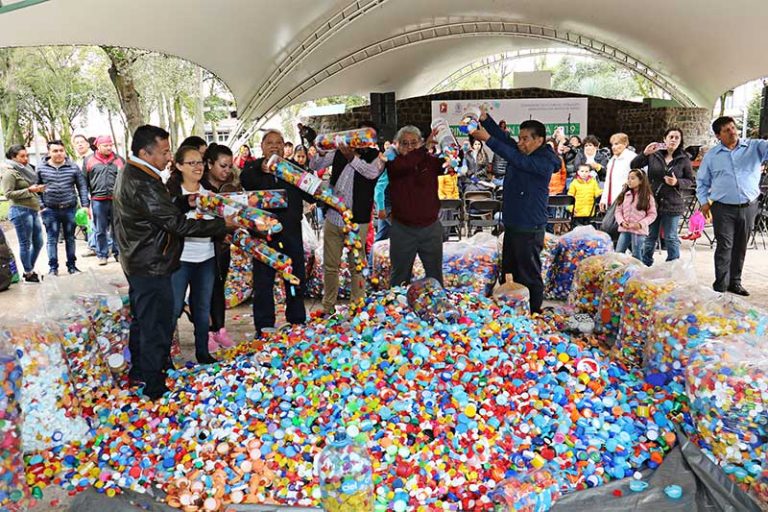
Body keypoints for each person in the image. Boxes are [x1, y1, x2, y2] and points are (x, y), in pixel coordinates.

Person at [113, 125, 231, 400]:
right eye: (165, 152)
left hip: (141, 259)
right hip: (150, 262)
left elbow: (159, 211)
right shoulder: (142, 181)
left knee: (144, 320)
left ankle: (140, 371)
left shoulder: (137, 173)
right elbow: (176, 225)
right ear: (145, 152)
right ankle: (155, 385)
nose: (168, 157)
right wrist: (222, 225)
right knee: (157, 324)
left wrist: (183, 201)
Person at [471, 113, 561, 314]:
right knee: (509, 272)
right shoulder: (523, 152)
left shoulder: (544, 161)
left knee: (529, 273)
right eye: (519, 138)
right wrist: (486, 119)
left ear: (539, 140)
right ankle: (511, 310)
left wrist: (487, 140)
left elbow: (512, 156)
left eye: (525, 139)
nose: (520, 143)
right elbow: (505, 140)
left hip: (529, 226)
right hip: (513, 224)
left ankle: (534, 312)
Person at [240, 129, 315, 335]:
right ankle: (264, 325)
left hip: (291, 232)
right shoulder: (252, 169)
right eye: (270, 143)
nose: (274, 146)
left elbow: (313, 195)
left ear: (284, 147)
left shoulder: (294, 169)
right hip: (263, 235)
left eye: (279, 143)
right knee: (263, 280)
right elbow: (244, 179)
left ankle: (297, 320)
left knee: (294, 276)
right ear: (262, 147)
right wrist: (259, 167)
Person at [309, 122, 385, 314]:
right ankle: (328, 307)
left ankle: (357, 306)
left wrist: (351, 156)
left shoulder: (375, 157)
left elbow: (371, 173)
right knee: (330, 266)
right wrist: (322, 150)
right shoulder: (339, 150)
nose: (360, 140)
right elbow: (314, 165)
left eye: (365, 137)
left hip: (358, 222)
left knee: (357, 266)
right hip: (334, 217)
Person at [696, 116, 768, 296]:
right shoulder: (712, 156)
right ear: (718, 135)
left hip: (749, 206)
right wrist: (704, 202)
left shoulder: (754, 147)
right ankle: (720, 284)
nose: (732, 132)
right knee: (724, 245)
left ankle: (735, 282)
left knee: (740, 245)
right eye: (726, 130)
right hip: (722, 208)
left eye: (733, 128)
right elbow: (702, 181)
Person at [166, 146, 222, 365]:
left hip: (206, 258)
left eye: (200, 162)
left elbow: (220, 224)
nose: (198, 167)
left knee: (202, 308)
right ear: (179, 166)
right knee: (173, 308)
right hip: (180, 260)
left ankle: (202, 352)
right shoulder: (171, 196)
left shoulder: (210, 195)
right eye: (192, 163)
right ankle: (165, 355)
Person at [387, 126, 444, 286]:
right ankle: (396, 310)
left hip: (430, 228)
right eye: (405, 143)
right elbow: (406, 164)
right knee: (399, 278)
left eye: (414, 143)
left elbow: (449, 163)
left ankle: (438, 309)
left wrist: (449, 145)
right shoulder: (394, 163)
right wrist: (423, 149)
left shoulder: (430, 162)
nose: (410, 147)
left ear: (420, 143)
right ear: (396, 145)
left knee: (435, 276)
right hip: (403, 229)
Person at [632, 127, 694, 266]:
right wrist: (645, 153)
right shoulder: (654, 155)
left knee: (671, 237)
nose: (673, 140)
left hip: (673, 203)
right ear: (664, 139)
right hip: (653, 202)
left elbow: (690, 180)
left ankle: (673, 266)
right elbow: (634, 166)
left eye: (677, 137)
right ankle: (645, 264)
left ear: (680, 141)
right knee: (650, 237)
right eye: (671, 137)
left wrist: (677, 182)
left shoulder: (683, 159)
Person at [200, 143, 238, 350]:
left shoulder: (231, 187)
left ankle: (220, 329)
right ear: (209, 164)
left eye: (229, 166)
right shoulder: (199, 188)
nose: (227, 171)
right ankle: (205, 332)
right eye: (222, 166)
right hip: (203, 247)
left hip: (223, 247)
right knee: (203, 290)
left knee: (218, 287)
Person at [37, 140, 89, 275]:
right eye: (55, 151)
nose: (59, 153)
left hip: (69, 209)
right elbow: (35, 189)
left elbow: (82, 186)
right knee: (52, 239)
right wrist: (42, 206)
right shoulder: (41, 168)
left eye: (61, 150)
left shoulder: (73, 167)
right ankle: (53, 268)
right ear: (49, 152)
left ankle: (72, 266)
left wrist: (85, 205)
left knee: (70, 238)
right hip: (50, 210)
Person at [0, 145, 44, 282]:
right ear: (13, 157)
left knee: (39, 242)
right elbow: (8, 194)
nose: (25, 159)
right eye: (22, 156)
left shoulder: (26, 170)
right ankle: (29, 272)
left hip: (33, 209)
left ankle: (28, 269)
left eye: (26, 156)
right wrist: (29, 191)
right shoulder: (10, 173)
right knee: (26, 243)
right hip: (20, 210)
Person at [83, 135, 125, 265]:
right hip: (98, 200)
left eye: (110, 145)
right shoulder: (89, 160)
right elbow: (84, 183)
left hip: (116, 200)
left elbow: (126, 180)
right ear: (98, 146)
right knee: (100, 229)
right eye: (105, 145)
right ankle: (102, 254)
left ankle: (118, 253)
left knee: (117, 228)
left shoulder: (119, 160)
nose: (109, 148)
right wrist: (86, 203)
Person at [614, 169, 657, 260]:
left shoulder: (647, 197)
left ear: (641, 181)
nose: (629, 180)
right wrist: (621, 222)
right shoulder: (625, 194)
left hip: (639, 232)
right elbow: (618, 211)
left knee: (637, 255)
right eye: (628, 178)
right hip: (625, 230)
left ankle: (638, 273)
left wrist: (640, 224)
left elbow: (652, 214)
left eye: (632, 178)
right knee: (618, 253)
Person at [600, 133, 636, 212]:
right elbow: (608, 181)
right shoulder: (612, 160)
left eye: (616, 144)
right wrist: (604, 199)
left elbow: (637, 178)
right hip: (611, 199)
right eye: (612, 145)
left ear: (625, 144)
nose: (613, 147)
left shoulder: (631, 158)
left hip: (626, 199)